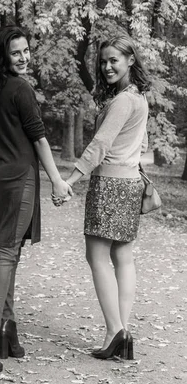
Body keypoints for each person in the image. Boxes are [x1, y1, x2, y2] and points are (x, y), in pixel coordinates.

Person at [0, 25, 72, 373]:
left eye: (27, 50)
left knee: (11, 253)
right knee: (7, 252)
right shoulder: (21, 89)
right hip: (18, 179)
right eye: (16, 52)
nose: (25, 57)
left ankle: (7, 330)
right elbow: (40, 140)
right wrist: (57, 181)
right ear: (3, 56)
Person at [63, 33, 151, 360]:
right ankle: (120, 332)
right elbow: (141, 147)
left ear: (131, 60)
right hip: (130, 184)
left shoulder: (123, 101)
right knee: (123, 258)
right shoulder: (139, 99)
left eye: (114, 59)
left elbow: (100, 145)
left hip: (111, 185)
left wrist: (71, 179)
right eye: (103, 61)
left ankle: (116, 331)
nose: (107, 66)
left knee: (97, 258)